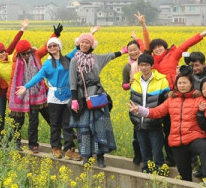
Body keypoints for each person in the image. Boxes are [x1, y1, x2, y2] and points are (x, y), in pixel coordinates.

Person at [130, 67, 206, 188]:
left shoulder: (198, 98)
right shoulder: (171, 100)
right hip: (176, 141)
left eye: (185, 82)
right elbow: (157, 112)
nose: (182, 85)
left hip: (193, 136)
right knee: (185, 177)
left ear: (191, 84)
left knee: (204, 147)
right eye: (180, 83)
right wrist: (139, 110)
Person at [16, 30, 83, 161]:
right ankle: (56, 148)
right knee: (55, 123)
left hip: (67, 96)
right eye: (50, 46)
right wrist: (26, 87)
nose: (52, 47)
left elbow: (79, 48)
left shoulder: (67, 59)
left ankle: (69, 149)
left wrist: (90, 34)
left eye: (55, 45)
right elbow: (38, 77)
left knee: (68, 124)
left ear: (59, 47)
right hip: (54, 97)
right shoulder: (47, 64)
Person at [150, 26, 206, 166]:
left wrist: (201, 35)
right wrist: (143, 28)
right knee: (168, 129)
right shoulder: (153, 61)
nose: (158, 49)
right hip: (164, 98)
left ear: (165, 47)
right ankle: (172, 158)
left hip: (179, 94)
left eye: (160, 46)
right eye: (155, 47)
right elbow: (144, 48)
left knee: (186, 127)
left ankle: (192, 159)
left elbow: (185, 45)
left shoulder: (173, 55)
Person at [69, 31, 122, 168]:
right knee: (85, 128)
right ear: (78, 43)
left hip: (97, 96)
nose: (84, 44)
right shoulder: (74, 60)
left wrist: (123, 52)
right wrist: (74, 100)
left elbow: (110, 56)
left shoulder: (96, 58)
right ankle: (87, 156)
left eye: (87, 42)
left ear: (91, 45)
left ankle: (100, 156)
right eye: (82, 42)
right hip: (82, 98)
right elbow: (73, 82)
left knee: (100, 126)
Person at [7, 23, 60, 153]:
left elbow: (46, 47)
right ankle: (16, 142)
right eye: (23, 53)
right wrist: (10, 96)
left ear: (30, 50)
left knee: (34, 121)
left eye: (27, 52)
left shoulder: (36, 55)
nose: (26, 55)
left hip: (36, 95)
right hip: (20, 94)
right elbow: (13, 80)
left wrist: (55, 34)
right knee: (18, 121)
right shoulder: (15, 61)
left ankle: (33, 144)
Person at [128, 54, 170, 173]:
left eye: (146, 65)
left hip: (154, 122)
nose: (143, 68)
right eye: (141, 65)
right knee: (144, 150)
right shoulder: (135, 80)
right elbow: (133, 99)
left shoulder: (161, 81)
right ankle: (146, 171)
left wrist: (160, 118)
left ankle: (160, 171)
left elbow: (166, 102)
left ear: (152, 66)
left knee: (157, 150)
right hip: (139, 122)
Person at [121, 12, 152, 166]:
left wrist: (142, 26)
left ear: (140, 49)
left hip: (150, 98)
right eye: (130, 50)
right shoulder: (127, 67)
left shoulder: (146, 61)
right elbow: (124, 85)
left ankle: (149, 156)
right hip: (136, 99)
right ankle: (138, 154)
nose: (133, 52)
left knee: (150, 128)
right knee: (137, 129)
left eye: (135, 49)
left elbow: (147, 42)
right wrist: (130, 83)